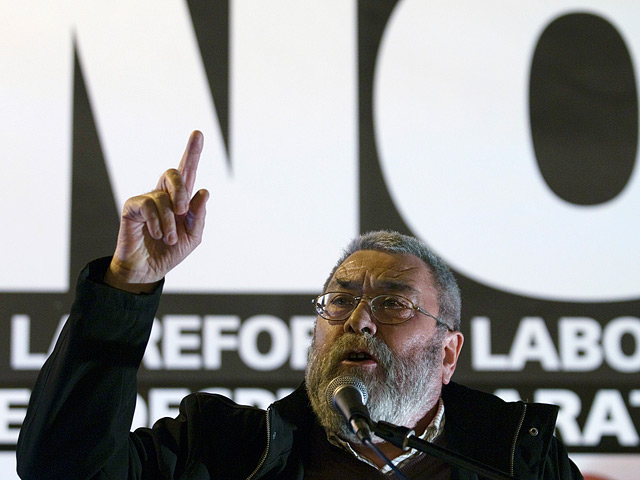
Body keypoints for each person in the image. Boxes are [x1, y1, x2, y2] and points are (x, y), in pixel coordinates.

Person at [16, 131, 583, 479]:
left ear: (449, 352)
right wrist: (125, 287)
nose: (358, 319)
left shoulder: (519, 461)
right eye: (340, 300)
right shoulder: (219, 453)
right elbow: (63, 471)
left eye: (392, 303)